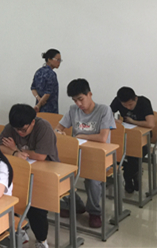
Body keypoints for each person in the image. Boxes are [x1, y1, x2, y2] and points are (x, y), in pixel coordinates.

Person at [55, 79, 115, 229]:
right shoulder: (73, 110)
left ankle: (94, 212)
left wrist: (80, 135)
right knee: (60, 173)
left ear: (90, 94)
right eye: (75, 100)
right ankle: (75, 204)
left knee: (92, 179)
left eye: (80, 99)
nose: (78, 104)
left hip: (99, 156)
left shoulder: (104, 110)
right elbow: (58, 128)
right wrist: (59, 133)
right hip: (77, 154)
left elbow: (102, 138)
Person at [0, 104, 58, 248]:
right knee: (9, 198)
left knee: (35, 205)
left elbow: (40, 156)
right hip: (22, 171)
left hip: (45, 173)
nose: (19, 133)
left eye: (23, 130)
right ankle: (19, 230)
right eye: (16, 130)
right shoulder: (12, 126)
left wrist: (15, 149)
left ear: (32, 122)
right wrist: (14, 153)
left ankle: (41, 241)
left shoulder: (43, 127)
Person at [110, 87, 155, 193]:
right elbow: (107, 114)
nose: (128, 108)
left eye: (130, 105)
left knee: (134, 156)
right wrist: (115, 121)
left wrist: (133, 122)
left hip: (143, 139)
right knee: (116, 154)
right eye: (125, 106)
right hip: (125, 136)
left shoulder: (144, 102)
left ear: (135, 98)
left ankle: (128, 177)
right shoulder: (117, 101)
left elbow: (151, 124)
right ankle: (133, 174)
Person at [31, 49, 61, 113]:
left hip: (38, 109)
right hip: (50, 109)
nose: (59, 62)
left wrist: (38, 99)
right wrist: (39, 105)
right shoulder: (52, 74)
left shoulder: (38, 71)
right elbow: (48, 93)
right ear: (49, 59)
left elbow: (33, 88)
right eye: (58, 60)